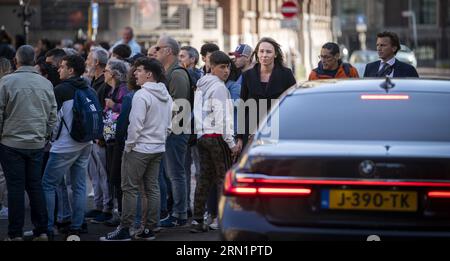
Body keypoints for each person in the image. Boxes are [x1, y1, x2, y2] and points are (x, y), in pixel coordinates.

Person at [100, 57, 173, 241]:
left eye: (139, 70)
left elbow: (135, 125)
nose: (135, 73)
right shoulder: (165, 94)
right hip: (157, 147)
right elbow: (169, 124)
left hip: (139, 149)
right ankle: (149, 229)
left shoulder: (142, 95)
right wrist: (160, 139)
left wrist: (129, 145)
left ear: (149, 74)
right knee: (152, 188)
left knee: (130, 189)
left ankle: (125, 229)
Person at [0, 45, 57, 241]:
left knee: (15, 188)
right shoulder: (46, 84)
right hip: (36, 143)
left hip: (10, 143)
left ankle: (15, 234)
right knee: (35, 186)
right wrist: (44, 135)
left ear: (16, 60)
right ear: (34, 60)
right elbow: (52, 116)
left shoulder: (6, 82)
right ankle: (41, 230)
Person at [42, 54, 94, 240]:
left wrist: (50, 139)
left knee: (47, 184)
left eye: (62, 66)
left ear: (71, 70)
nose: (58, 69)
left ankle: (46, 227)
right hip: (85, 143)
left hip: (65, 145)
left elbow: (54, 119)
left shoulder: (61, 90)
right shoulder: (88, 88)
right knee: (79, 185)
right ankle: (77, 225)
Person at [191, 51, 240, 233]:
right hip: (217, 136)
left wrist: (199, 134)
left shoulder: (201, 84)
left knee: (204, 178)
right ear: (212, 67)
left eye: (228, 67)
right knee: (223, 179)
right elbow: (224, 118)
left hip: (203, 136)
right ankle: (223, 219)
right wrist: (231, 143)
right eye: (222, 67)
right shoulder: (219, 87)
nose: (226, 71)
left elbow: (197, 113)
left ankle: (197, 220)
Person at [155, 35, 192, 227]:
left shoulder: (177, 74)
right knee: (173, 173)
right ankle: (177, 212)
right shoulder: (169, 72)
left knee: (176, 173)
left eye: (158, 48)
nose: (155, 51)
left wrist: (169, 131)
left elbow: (180, 107)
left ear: (168, 51)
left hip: (177, 131)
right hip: (171, 131)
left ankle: (180, 214)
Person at [237, 37, 296, 148]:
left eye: (269, 52)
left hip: (278, 127)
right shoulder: (247, 75)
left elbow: (293, 103)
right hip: (252, 129)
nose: (264, 55)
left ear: (275, 54)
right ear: (257, 53)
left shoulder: (286, 74)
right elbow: (242, 104)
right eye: (261, 51)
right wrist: (239, 137)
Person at [93, 59, 129, 224]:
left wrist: (114, 105)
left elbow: (127, 109)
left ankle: (122, 214)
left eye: (106, 71)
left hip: (119, 141)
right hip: (110, 140)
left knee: (117, 177)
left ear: (114, 73)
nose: (104, 73)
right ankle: (118, 212)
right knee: (112, 176)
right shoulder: (111, 89)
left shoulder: (123, 90)